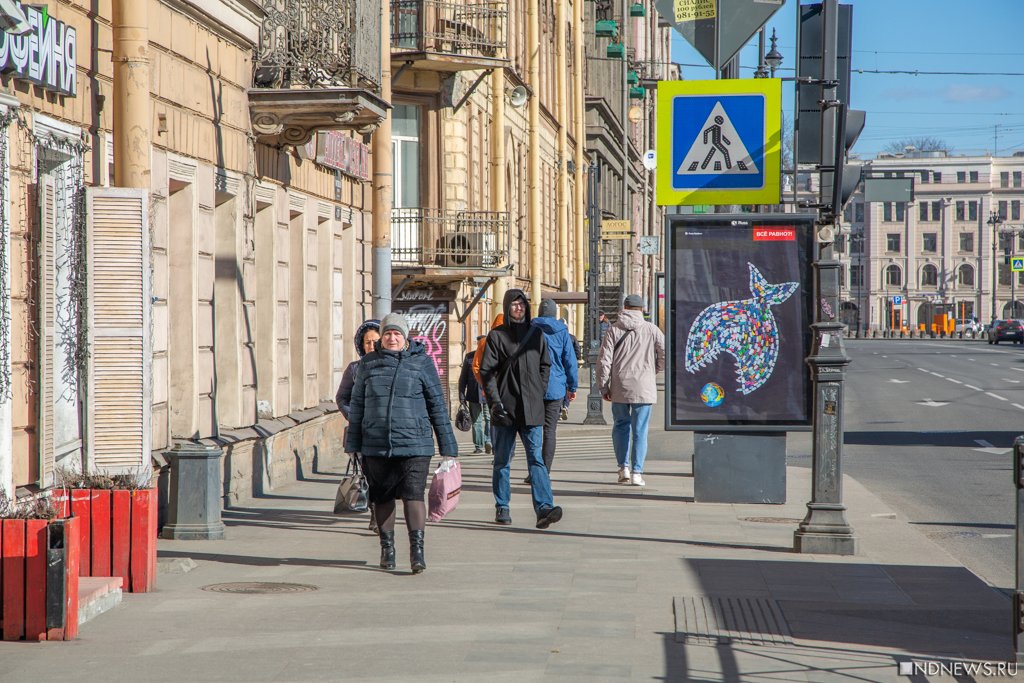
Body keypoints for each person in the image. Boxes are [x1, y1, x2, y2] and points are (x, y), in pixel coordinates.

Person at [344, 312, 458, 574]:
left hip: (415, 443)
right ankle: (387, 549)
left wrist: (448, 447)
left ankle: (417, 551)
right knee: (382, 496)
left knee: (413, 494)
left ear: (405, 337)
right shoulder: (368, 365)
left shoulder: (422, 363)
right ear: (381, 338)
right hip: (376, 443)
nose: (391, 338)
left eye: (396, 334)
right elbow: (358, 406)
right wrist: (354, 443)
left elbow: (437, 406)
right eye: (387, 334)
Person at [479, 289, 563, 529]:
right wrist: (495, 402)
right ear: (507, 308)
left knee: (536, 459)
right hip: (505, 409)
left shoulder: (536, 335)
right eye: (514, 305)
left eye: (522, 304)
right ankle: (502, 506)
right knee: (502, 460)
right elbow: (487, 372)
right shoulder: (496, 336)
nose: (519, 308)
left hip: (531, 408)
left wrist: (540, 389)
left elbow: (545, 364)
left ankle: (544, 508)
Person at [596, 294, 665, 487]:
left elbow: (604, 361)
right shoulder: (652, 329)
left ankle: (623, 467)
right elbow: (665, 353)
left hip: (619, 387)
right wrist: (653, 370)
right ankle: (637, 472)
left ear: (624, 307)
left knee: (620, 425)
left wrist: (604, 386)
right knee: (640, 430)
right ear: (642, 309)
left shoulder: (613, 330)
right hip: (644, 386)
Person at [335, 319, 381, 532]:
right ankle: (375, 514)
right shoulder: (354, 369)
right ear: (361, 345)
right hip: (362, 433)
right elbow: (342, 397)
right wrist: (354, 417)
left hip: (386, 432)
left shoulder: (391, 366)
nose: (371, 346)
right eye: (367, 342)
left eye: (375, 341)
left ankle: (382, 512)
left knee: (384, 478)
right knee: (369, 476)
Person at [527, 299, 578, 483]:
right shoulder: (562, 332)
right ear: (555, 313)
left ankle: (533, 470)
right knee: (550, 431)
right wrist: (572, 387)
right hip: (556, 388)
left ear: (540, 312)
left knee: (533, 431)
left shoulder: (531, 328)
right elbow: (569, 361)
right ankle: (544, 472)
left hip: (533, 386)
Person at [458, 336, 491, 454]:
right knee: (478, 420)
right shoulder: (469, 357)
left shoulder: (492, 356)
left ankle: (488, 441)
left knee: (489, 418)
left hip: (488, 394)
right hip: (473, 394)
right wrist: (462, 396)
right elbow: (463, 378)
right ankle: (479, 445)